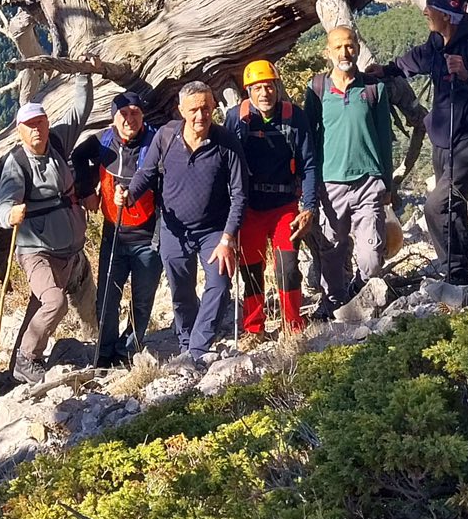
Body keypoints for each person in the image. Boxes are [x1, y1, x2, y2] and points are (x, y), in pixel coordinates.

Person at [386, 0, 468, 287]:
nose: (426, 13)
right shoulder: (436, 41)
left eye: (432, 10)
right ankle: (455, 273)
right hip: (442, 140)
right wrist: (384, 71)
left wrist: (467, 75)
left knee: (437, 205)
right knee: (451, 208)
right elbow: (413, 61)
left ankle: (456, 276)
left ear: (447, 15)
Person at [126, 79, 245, 365]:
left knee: (218, 283)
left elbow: (240, 194)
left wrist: (228, 238)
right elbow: (147, 173)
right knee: (181, 291)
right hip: (173, 229)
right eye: (193, 110)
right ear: (181, 110)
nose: (200, 115)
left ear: (214, 106)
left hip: (214, 230)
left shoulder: (226, 143)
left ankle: (198, 348)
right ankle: (186, 341)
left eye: (205, 108)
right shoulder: (166, 137)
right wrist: (129, 195)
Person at [0, 101, 96, 383]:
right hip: (37, 252)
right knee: (54, 301)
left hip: (72, 252)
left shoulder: (57, 145)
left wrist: (83, 73)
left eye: (40, 122)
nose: (36, 129)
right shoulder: (17, 165)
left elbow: (79, 109)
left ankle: (99, 350)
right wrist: (9, 215)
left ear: (47, 123)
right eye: (30, 125)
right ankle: (27, 359)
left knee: (77, 305)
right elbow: (3, 206)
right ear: (19, 131)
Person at [303, 24, 398, 310]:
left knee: (371, 255)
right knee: (331, 250)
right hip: (331, 184)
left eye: (350, 45)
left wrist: (388, 183)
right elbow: (310, 138)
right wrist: (310, 185)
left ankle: (359, 288)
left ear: (356, 47)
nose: (345, 52)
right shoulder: (317, 90)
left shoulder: (373, 88)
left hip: (369, 182)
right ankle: (335, 303)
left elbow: (384, 137)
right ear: (327, 52)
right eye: (339, 47)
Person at [74, 90, 163, 367]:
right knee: (107, 296)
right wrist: (88, 190)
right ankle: (104, 351)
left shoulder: (157, 142)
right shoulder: (103, 142)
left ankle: (128, 350)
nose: (129, 119)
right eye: (123, 114)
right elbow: (78, 157)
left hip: (148, 235)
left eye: (135, 112)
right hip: (113, 231)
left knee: (142, 297)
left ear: (143, 115)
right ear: (113, 118)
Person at [231, 60, 315, 338]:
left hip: (284, 206)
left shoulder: (295, 117)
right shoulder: (236, 118)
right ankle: (254, 329)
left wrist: (310, 207)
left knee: (288, 268)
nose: (264, 93)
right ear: (248, 92)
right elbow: (224, 164)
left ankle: (293, 325)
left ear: (277, 87)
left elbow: (309, 165)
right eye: (257, 88)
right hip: (250, 207)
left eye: (269, 86)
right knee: (251, 271)